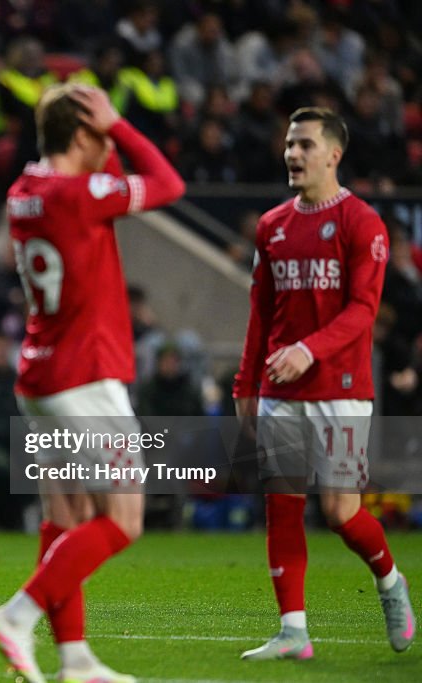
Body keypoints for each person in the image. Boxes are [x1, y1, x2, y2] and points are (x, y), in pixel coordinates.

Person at [0, 84, 185, 683]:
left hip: (41, 374)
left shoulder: (27, 190)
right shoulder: (80, 194)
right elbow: (168, 184)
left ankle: (75, 659)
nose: (107, 144)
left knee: (65, 519)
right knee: (124, 520)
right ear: (81, 136)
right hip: (86, 375)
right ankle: (17, 617)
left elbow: (105, 177)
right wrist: (119, 126)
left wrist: (99, 133)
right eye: (96, 134)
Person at [233, 107, 416, 660]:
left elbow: (365, 310)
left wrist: (308, 351)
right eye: (290, 144)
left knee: (339, 512)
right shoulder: (273, 226)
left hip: (340, 386)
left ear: (334, 154)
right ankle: (293, 631)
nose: (293, 154)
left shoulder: (363, 224)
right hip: (281, 388)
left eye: (305, 145)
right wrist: (247, 381)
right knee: (283, 503)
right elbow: (261, 310)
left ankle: (390, 582)